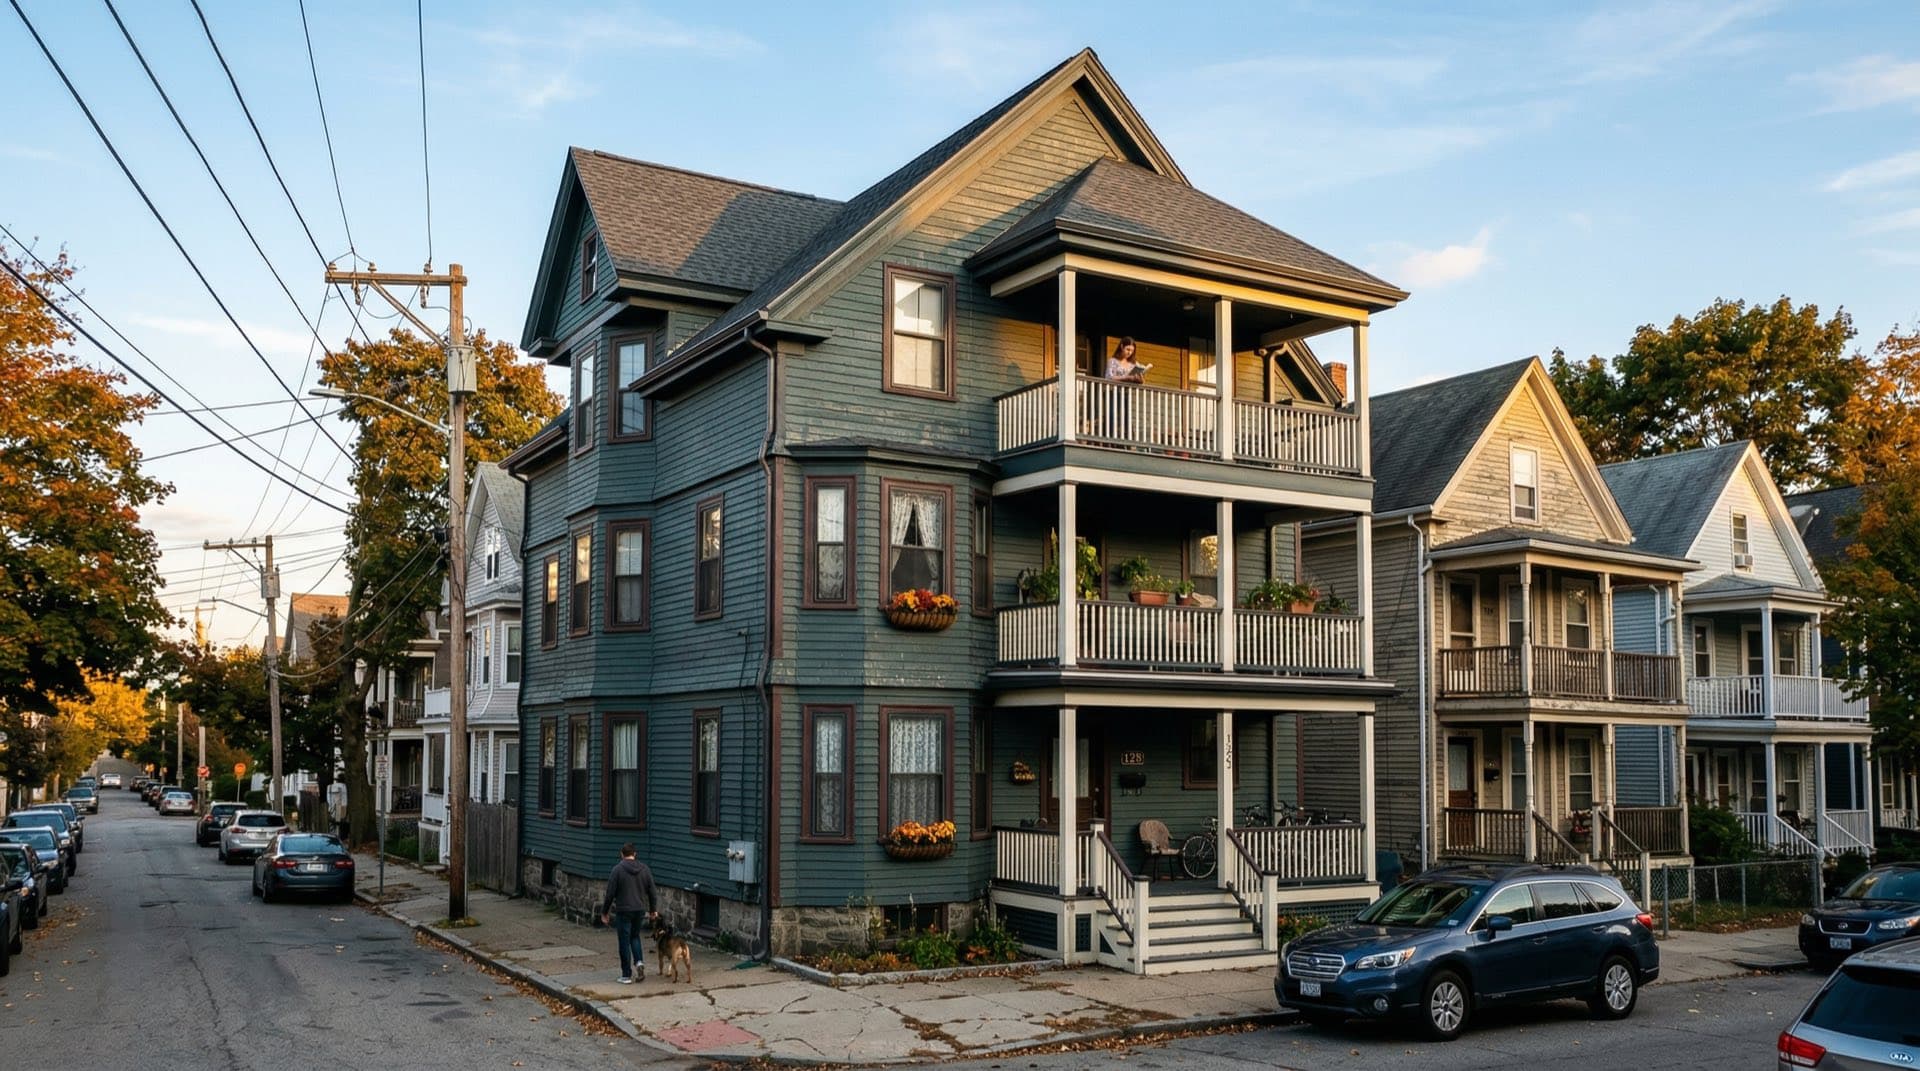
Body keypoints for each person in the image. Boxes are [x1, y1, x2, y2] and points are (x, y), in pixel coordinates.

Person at [599, 842, 658, 983]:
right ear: (635, 854)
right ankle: (639, 962)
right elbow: (652, 892)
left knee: (624, 941)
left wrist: (604, 912)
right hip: (639, 909)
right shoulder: (645, 869)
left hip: (624, 909)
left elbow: (610, 894)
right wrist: (653, 910)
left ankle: (626, 975)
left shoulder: (617, 870)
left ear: (621, 854)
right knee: (635, 937)